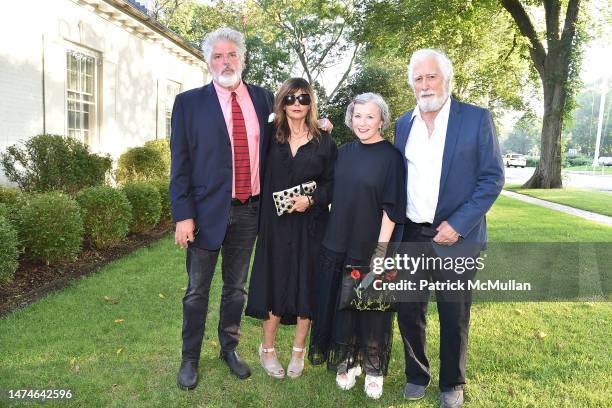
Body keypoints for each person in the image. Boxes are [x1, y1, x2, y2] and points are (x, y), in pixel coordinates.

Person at [393, 49, 504, 408]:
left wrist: (457, 226)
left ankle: (452, 383)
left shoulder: (475, 119)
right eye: (418, 78)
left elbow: (491, 178)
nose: (424, 85)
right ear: (412, 83)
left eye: (431, 77)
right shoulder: (403, 124)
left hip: (456, 237)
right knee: (409, 310)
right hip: (411, 233)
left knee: (454, 314)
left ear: (446, 79)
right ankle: (416, 374)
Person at [169, 27, 274, 389]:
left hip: (249, 211)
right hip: (204, 213)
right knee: (197, 291)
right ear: (207, 61)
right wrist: (183, 215)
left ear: (243, 59)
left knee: (236, 288)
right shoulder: (189, 103)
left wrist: (319, 126)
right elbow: (180, 163)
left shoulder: (263, 100)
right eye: (217, 56)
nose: (225, 62)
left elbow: (290, 134)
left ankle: (229, 348)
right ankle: (189, 358)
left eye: (231, 55)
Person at [309, 93, 406, 399]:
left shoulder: (391, 157)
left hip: (371, 246)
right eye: (357, 116)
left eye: (370, 117)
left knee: (372, 308)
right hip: (337, 241)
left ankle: (374, 368)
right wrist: (320, 126)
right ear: (350, 118)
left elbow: (392, 209)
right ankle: (347, 361)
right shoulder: (344, 152)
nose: (362, 122)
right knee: (343, 305)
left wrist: (380, 251)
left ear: (381, 121)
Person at [245, 77, 337, 380]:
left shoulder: (324, 141)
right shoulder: (270, 134)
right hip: (276, 225)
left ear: (311, 102)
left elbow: (332, 184)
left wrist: (310, 199)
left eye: (303, 98)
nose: (297, 104)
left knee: (306, 283)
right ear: (281, 101)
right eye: (290, 98)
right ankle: (267, 348)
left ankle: (299, 351)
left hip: (311, 226)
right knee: (276, 281)